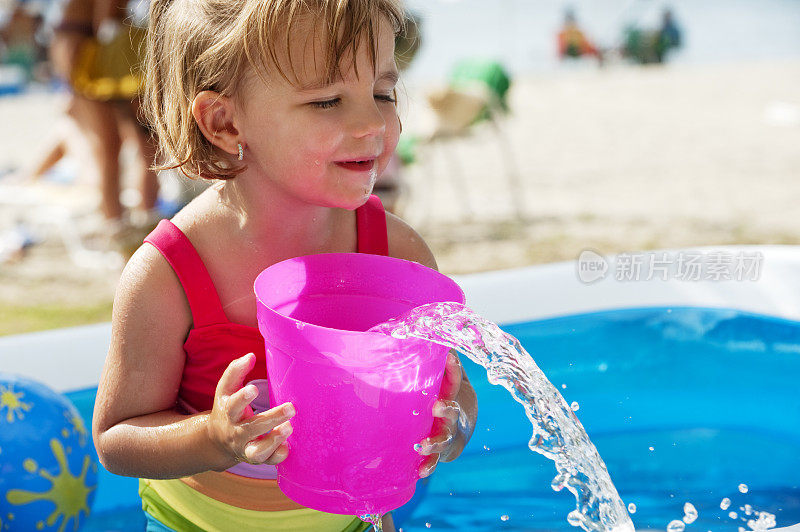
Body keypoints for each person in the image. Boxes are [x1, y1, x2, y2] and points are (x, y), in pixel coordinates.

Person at [91, 1, 478, 531]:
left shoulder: (393, 253)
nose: (371, 122)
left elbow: (451, 394)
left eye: (383, 93)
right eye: (326, 101)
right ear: (225, 122)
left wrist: (452, 423)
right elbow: (117, 439)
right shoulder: (169, 275)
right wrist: (212, 437)